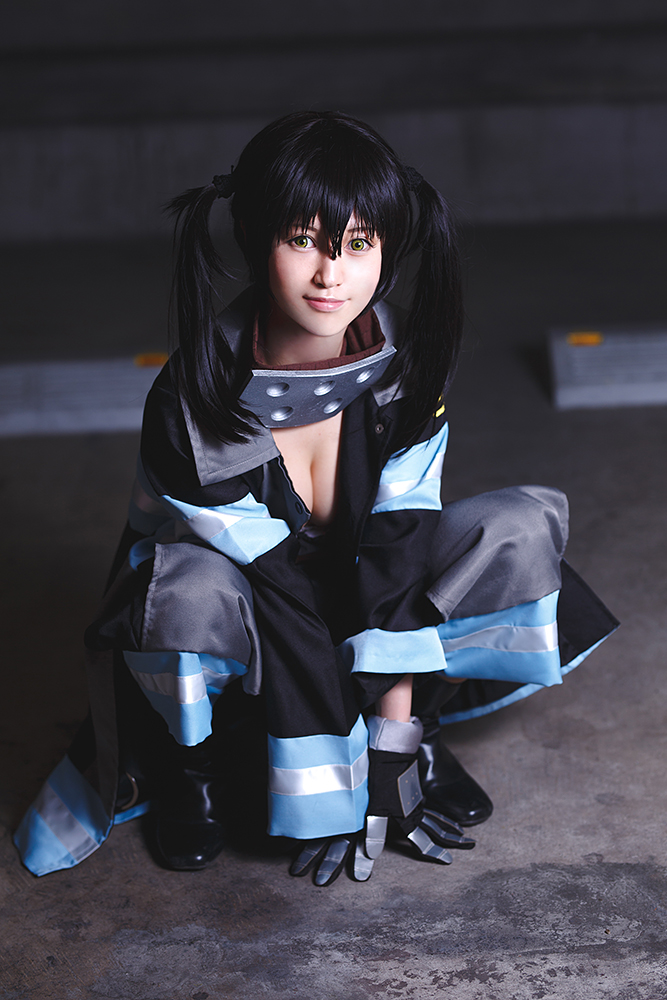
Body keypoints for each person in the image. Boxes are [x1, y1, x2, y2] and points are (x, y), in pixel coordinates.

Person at [14, 111, 617, 886]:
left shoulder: (404, 366)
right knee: (185, 590)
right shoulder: (191, 397)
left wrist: (393, 746)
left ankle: (424, 735)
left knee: (516, 526)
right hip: (250, 625)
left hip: (353, 604)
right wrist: (335, 788)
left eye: (358, 244)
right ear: (252, 237)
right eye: (303, 240)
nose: (331, 276)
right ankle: (188, 769)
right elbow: (281, 600)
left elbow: (399, 555)